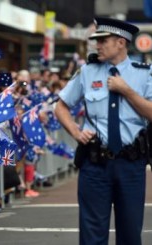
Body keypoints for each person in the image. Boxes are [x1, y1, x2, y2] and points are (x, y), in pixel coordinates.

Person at [55, 17, 152, 245]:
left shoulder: (145, 73)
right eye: (96, 40)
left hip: (131, 164)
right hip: (95, 164)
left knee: (130, 233)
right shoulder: (88, 72)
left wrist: (127, 91)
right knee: (92, 235)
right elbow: (60, 106)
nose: (97, 45)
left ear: (121, 42)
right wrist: (76, 132)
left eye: (103, 40)